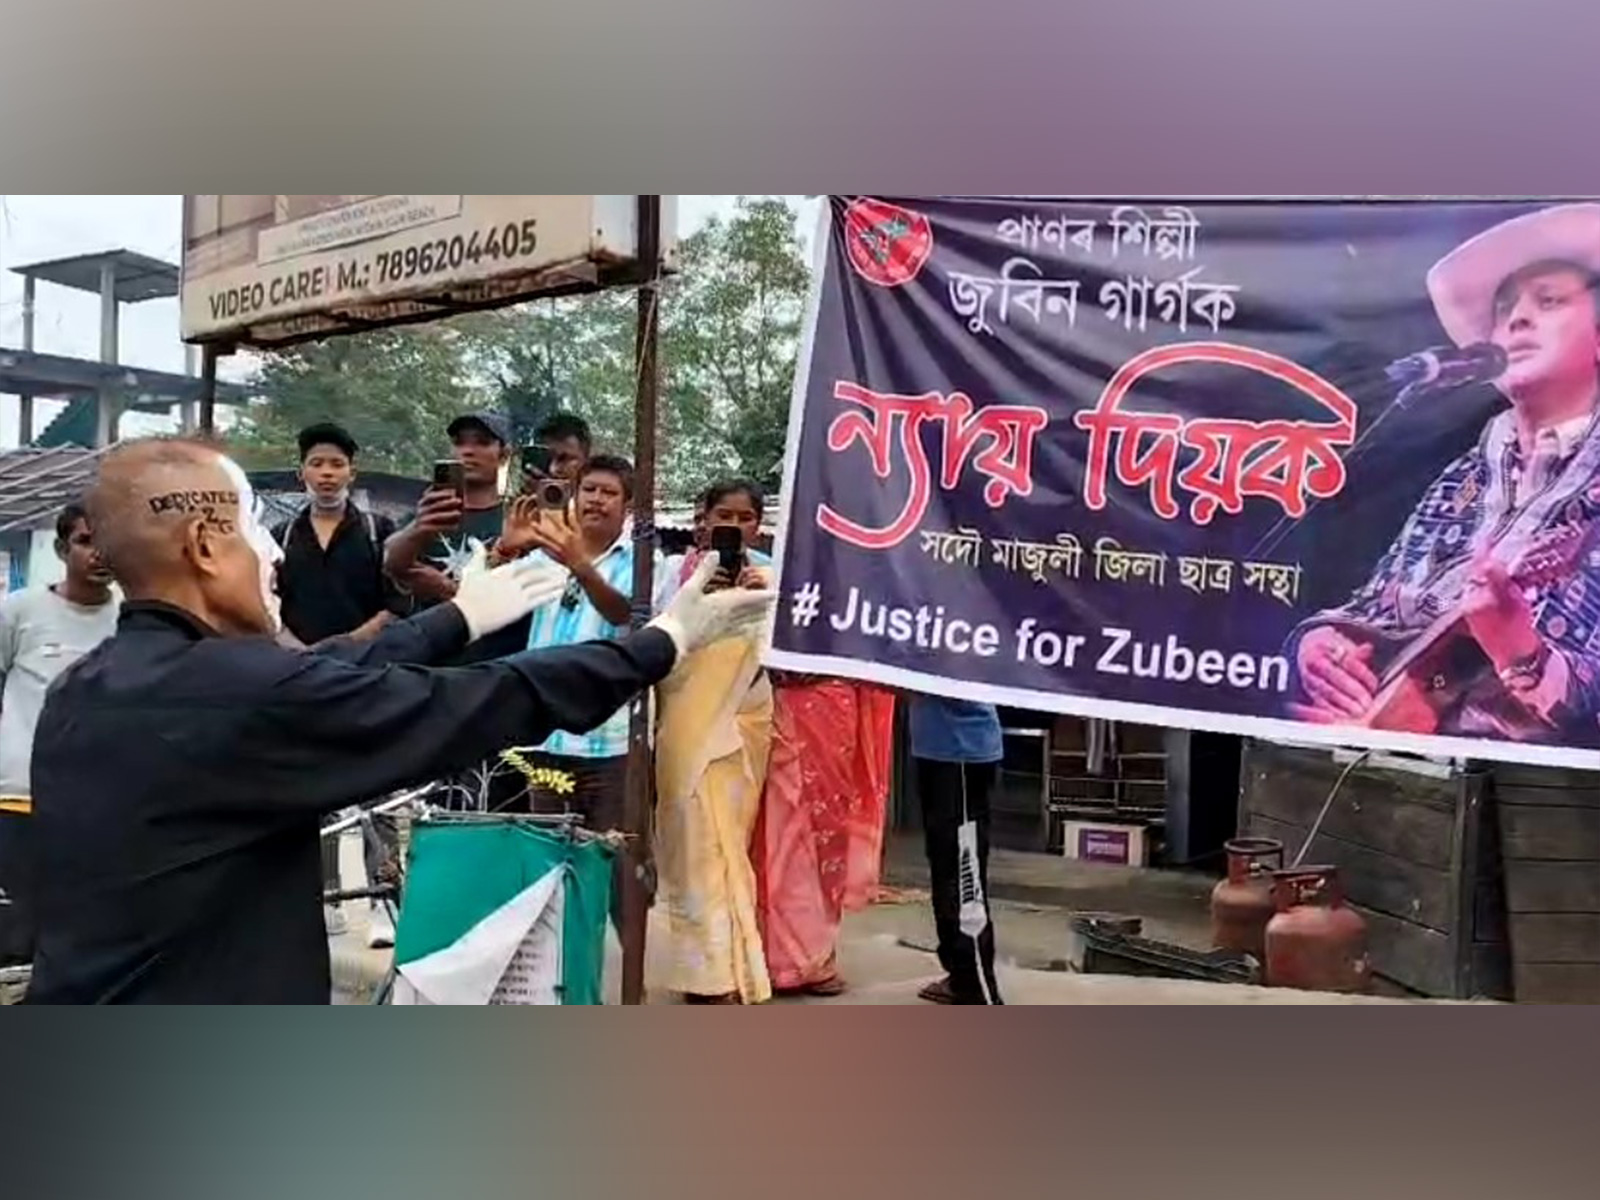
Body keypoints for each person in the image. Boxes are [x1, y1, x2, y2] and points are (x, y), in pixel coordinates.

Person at [22, 437, 773, 1003]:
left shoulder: (83, 689)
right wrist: (662, 642)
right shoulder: (240, 695)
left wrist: (458, 618)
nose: (270, 558)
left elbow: (330, 673)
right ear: (205, 547)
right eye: (255, 530)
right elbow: (479, 699)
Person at [1290, 203, 1600, 743]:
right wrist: (1321, 644)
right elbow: (1377, 604)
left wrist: (1520, 654)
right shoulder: (1466, 474)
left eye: (1547, 301)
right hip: (1384, 760)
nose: (1517, 320)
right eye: (1505, 312)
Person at [493, 454, 655, 932]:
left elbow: (628, 617)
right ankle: (564, 984)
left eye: (609, 493)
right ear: (575, 495)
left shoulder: (645, 562)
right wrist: (506, 550)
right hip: (547, 743)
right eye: (589, 490)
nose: (597, 501)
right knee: (551, 866)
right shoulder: (543, 555)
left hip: (610, 745)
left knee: (619, 864)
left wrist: (582, 567)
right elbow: (487, 602)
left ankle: (632, 989)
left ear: (627, 506)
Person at [270, 421, 408, 946]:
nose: (326, 474)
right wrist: (297, 649)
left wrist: (352, 643)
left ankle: (381, 898)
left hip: (367, 673)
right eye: (316, 464)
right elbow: (268, 607)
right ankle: (323, 901)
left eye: (336, 464)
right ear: (301, 471)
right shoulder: (281, 538)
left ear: (352, 470)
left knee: (378, 788)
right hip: (301, 676)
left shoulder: (379, 529)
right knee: (311, 791)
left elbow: (395, 606)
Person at [653, 479, 775, 1004]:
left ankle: (731, 969)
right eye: (722, 514)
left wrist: (759, 598)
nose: (733, 525)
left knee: (729, 845)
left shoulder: (770, 577)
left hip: (743, 722)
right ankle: (703, 974)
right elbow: (655, 640)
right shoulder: (669, 574)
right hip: (684, 722)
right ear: (701, 519)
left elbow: (784, 653)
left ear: (758, 524)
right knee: (690, 843)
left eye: (744, 517)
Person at [0, 503, 119, 967]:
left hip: (103, 804)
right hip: (21, 797)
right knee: (23, 936)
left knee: (91, 931)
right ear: (61, 548)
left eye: (106, 541)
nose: (98, 553)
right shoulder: (20, 611)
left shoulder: (131, 621)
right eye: (86, 541)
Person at [753, 669, 895, 998]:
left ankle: (816, 956)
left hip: (830, 697)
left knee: (828, 829)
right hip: (779, 696)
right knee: (777, 827)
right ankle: (774, 955)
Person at [909, 696, 1004, 1005]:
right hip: (939, 749)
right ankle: (961, 973)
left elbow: (934, 682)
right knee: (944, 863)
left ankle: (976, 983)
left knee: (963, 870)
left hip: (960, 751)